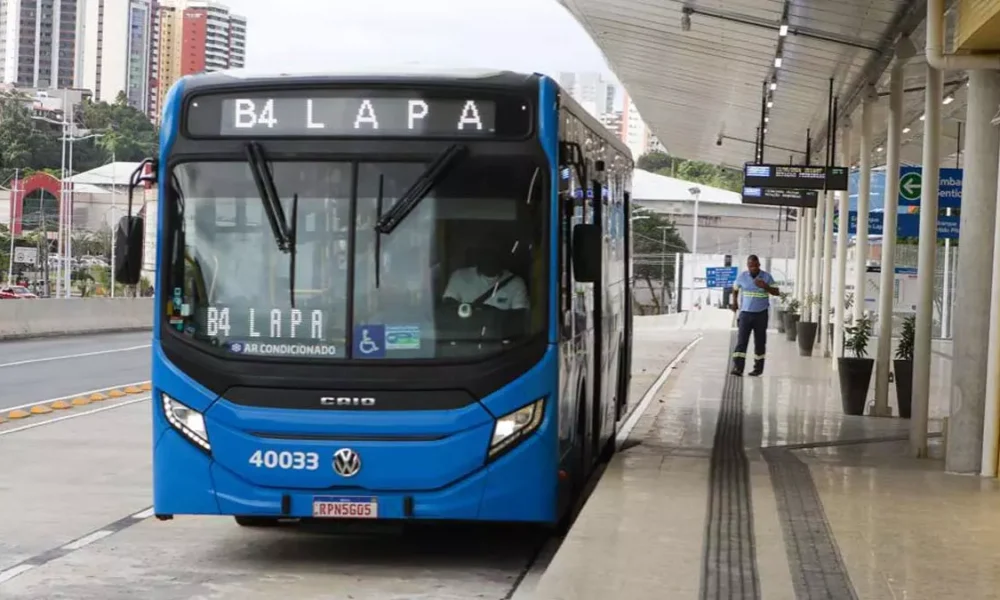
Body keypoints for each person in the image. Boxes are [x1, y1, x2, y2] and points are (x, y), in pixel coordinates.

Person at [730, 254, 779, 376]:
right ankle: (738, 367)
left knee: (760, 342)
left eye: (756, 266)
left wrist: (765, 286)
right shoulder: (742, 277)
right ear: (748, 266)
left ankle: (758, 369)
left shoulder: (766, 277)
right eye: (751, 266)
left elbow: (777, 292)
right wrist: (734, 302)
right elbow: (735, 289)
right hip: (745, 314)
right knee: (741, 342)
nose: (753, 268)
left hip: (761, 314)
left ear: (759, 265)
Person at [442, 245, 528, 311]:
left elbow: (519, 317)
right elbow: (448, 307)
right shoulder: (459, 276)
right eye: (487, 253)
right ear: (479, 256)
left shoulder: (516, 283)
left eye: (495, 253)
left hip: (501, 333)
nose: (490, 258)